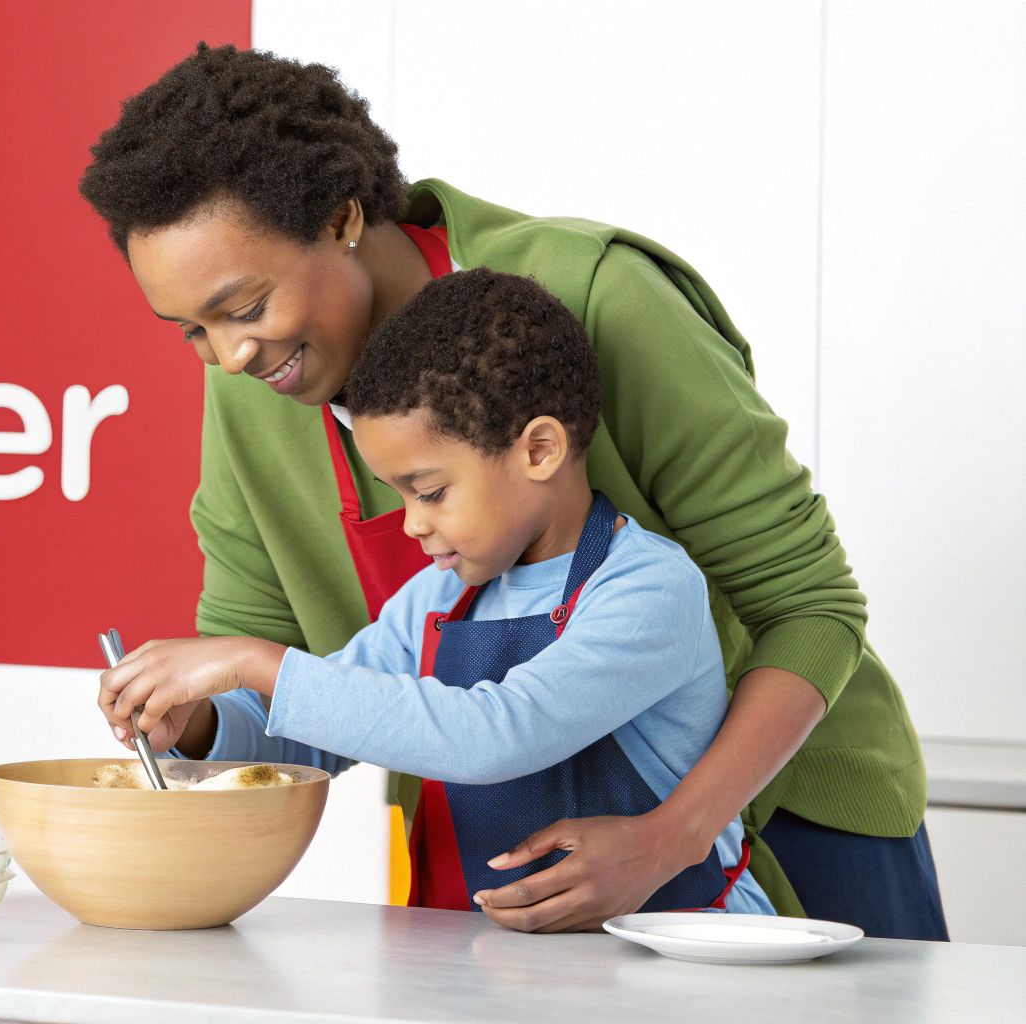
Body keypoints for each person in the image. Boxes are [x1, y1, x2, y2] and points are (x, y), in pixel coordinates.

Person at [76, 43, 946, 938]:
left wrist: (671, 838)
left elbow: (812, 608)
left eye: (246, 307)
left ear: (340, 218)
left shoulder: (600, 298)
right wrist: (196, 724)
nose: (230, 357)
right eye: (191, 331)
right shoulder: (252, 391)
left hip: (777, 813)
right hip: (526, 866)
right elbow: (288, 682)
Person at [99, 267, 775, 917]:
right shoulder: (437, 600)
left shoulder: (646, 590)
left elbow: (494, 735)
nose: (413, 522)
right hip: (498, 966)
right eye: (398, 494)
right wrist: (199, 725)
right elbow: (308, 745)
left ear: (539, 451)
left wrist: (254, 660)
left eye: (428, 491)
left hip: (681, 955)